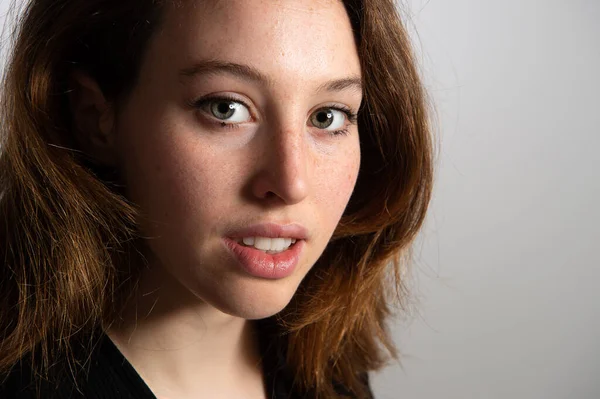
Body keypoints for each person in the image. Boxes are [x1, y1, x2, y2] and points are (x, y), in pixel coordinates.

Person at [0, 0, 433, 397]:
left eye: (327, 116)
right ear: (95, 119)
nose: (291, 182)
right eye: (226, 108)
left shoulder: (325, 372)